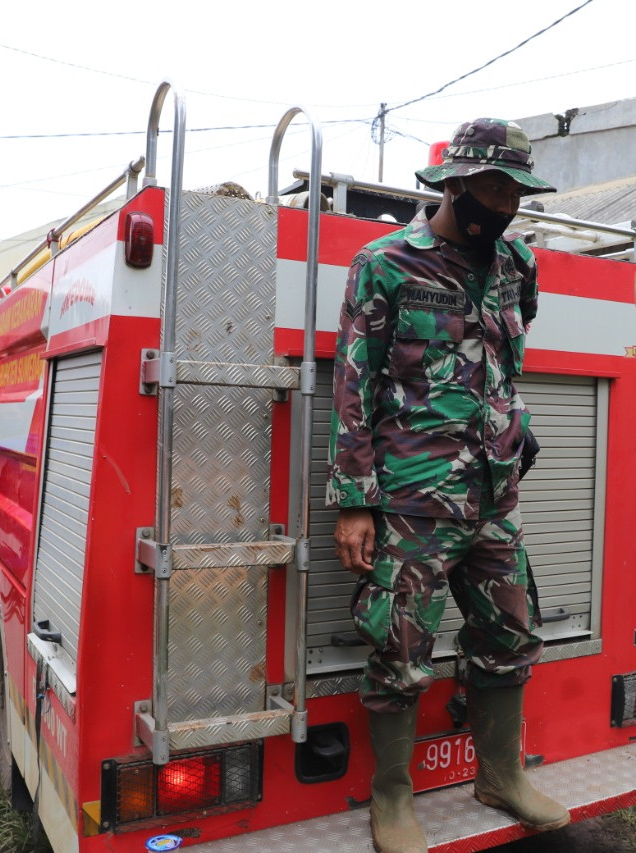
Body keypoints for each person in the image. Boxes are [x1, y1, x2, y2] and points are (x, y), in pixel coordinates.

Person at [328, 118, 568, 852]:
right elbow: (354, 382)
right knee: (399, 650)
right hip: (412, 500)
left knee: (509, 634)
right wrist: (356, 501)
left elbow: (505, 359)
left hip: (495, 496)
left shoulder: (514, 266)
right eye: (496, 189)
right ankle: (392, 796)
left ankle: (498, 774)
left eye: (516, 192)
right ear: (455, 186)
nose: (507, 205)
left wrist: (511, 424)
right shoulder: (385, 262)